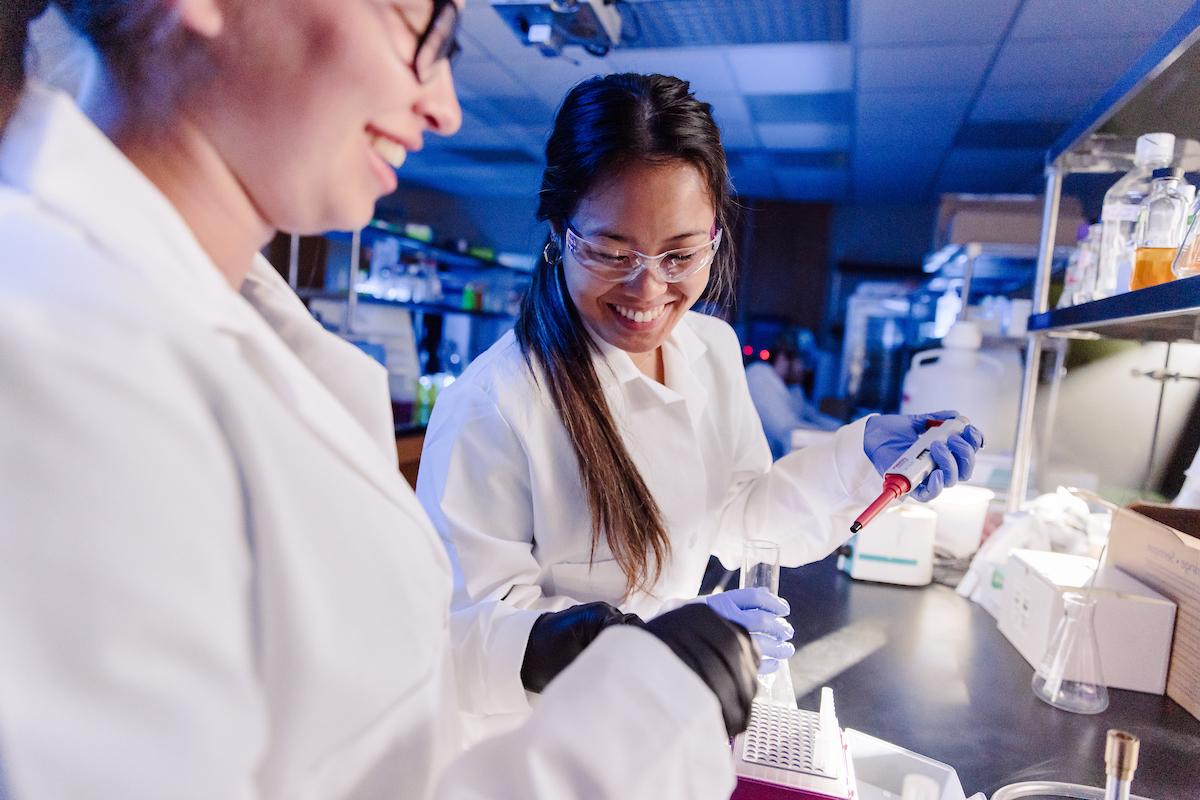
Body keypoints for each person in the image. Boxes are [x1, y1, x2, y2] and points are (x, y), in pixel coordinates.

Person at [0, 3, 762, 798]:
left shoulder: (231, 327)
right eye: (420, 26)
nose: (444, 103)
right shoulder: (53, 363)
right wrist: (632, 722)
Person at [416, 72, 984, 735]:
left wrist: (858, 458)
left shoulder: (710, 348)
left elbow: (740, 516)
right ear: (558, 234)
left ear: (715, 236)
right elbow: (463, 643)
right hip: (542, 752)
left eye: (681, 254)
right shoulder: (495, 406)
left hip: (664, 726)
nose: (648, 288)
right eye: (610, 251)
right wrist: (650, 643)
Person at [744, 332, 840, 460]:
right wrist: (838, 437)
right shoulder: (759, 377)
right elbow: (787, 430)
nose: (805, 370)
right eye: (802, 362)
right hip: (757, 464)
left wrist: (844, 428)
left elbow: (812, 415)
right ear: (783, 358)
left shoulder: (793, 388)